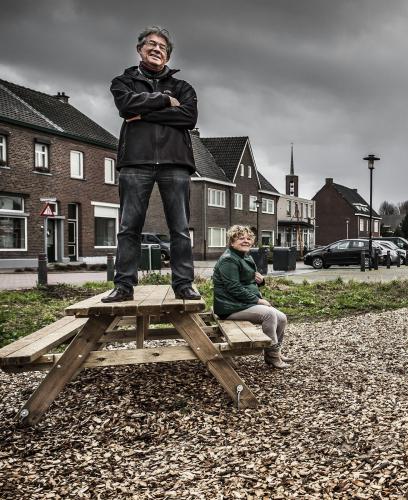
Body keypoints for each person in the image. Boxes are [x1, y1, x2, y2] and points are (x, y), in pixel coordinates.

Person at [103, 26, 200, 303]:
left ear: (168, 55)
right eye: (152, 45)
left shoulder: (184, 87)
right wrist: (163, 101)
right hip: (135, 161)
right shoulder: (122, 82)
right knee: (129, 227)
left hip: (176, 163)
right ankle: (123, 286)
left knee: (180, 228)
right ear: (140, 49)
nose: (157, 49)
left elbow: (188, 118)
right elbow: (125, 107)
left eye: (163, 47)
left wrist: (143, 115)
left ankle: (183, 285)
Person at [212, 226, 292, 368]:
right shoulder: (229, 260)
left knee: (282, 318)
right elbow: (233, 288)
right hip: (229, 307)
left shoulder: (245, 256)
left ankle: (275, 351)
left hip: (240, 303)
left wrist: (260, 281)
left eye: (248, 238)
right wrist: (258, 300)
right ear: (231, 242)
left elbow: (247, 280)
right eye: (241, 238)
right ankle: (272, 356)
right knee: (269, 314)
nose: (246, 241)